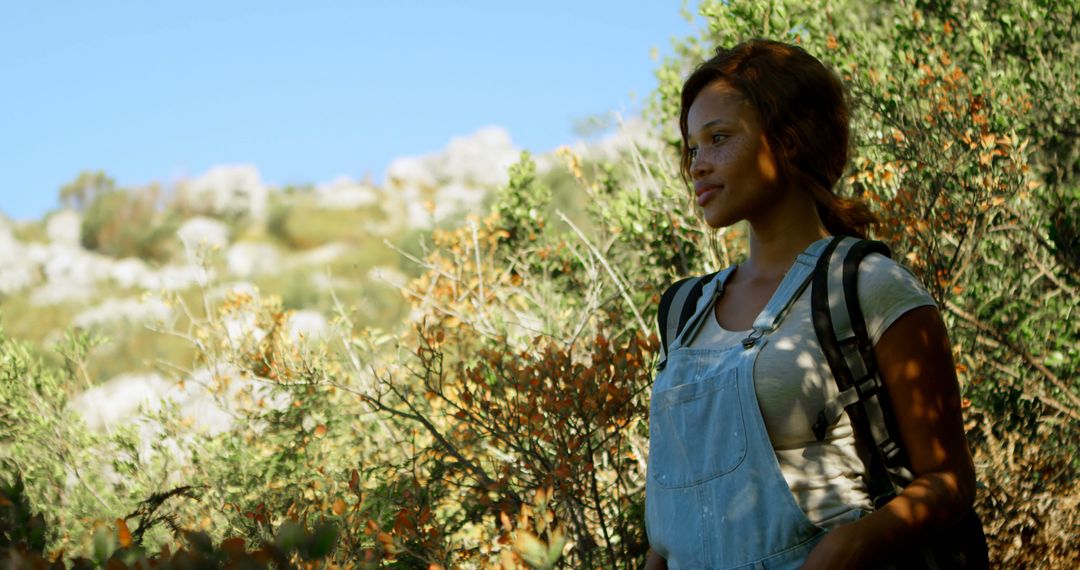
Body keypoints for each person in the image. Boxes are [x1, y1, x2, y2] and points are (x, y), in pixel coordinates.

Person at [643, 39, 976, 569]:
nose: (698, 165)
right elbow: (674, 519)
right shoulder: (684, 311)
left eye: (719, 138)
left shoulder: (867, 286)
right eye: (692, 148)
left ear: (789, 140)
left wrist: (845, 548)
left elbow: (949, 483)